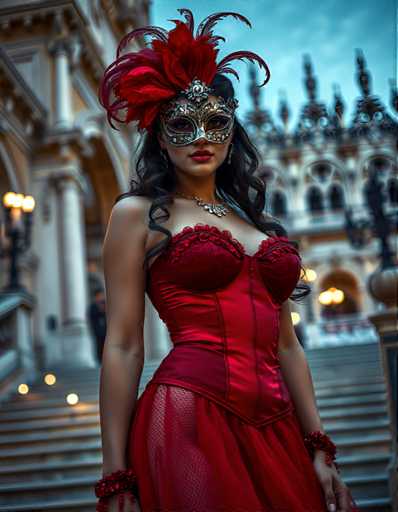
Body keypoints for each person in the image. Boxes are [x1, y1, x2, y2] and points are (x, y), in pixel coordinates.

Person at [95, 8, 361, 512]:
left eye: (216, 122)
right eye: (181, 124)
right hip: (188, 415)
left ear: (232, 127)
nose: (200, 137)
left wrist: (320, 446)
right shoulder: (137, 215)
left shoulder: (256, 223)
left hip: (279, 424)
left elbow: (288, 346)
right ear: (157, 131)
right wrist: (116, 474)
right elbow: (125, 345)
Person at [88, 288, 107, 364]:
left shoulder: (105, 304)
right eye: (99, 295)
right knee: (99, 347)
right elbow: (92, 318)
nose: (101, 297)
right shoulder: (93, 307)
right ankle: (100, 362)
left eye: (101, 295)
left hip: (106, 331)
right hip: (98, 332)